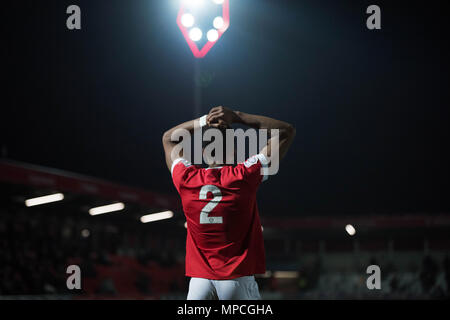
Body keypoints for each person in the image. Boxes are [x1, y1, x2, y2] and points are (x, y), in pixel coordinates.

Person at [162, 106, 295, 300]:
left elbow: (168, 138)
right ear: (234, 150)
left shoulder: (186, 179)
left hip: (198, 283)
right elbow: (286, 131)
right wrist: (238, 117)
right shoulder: (244, 176)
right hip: (236, 279)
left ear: (203, 151)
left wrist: (204, 120)